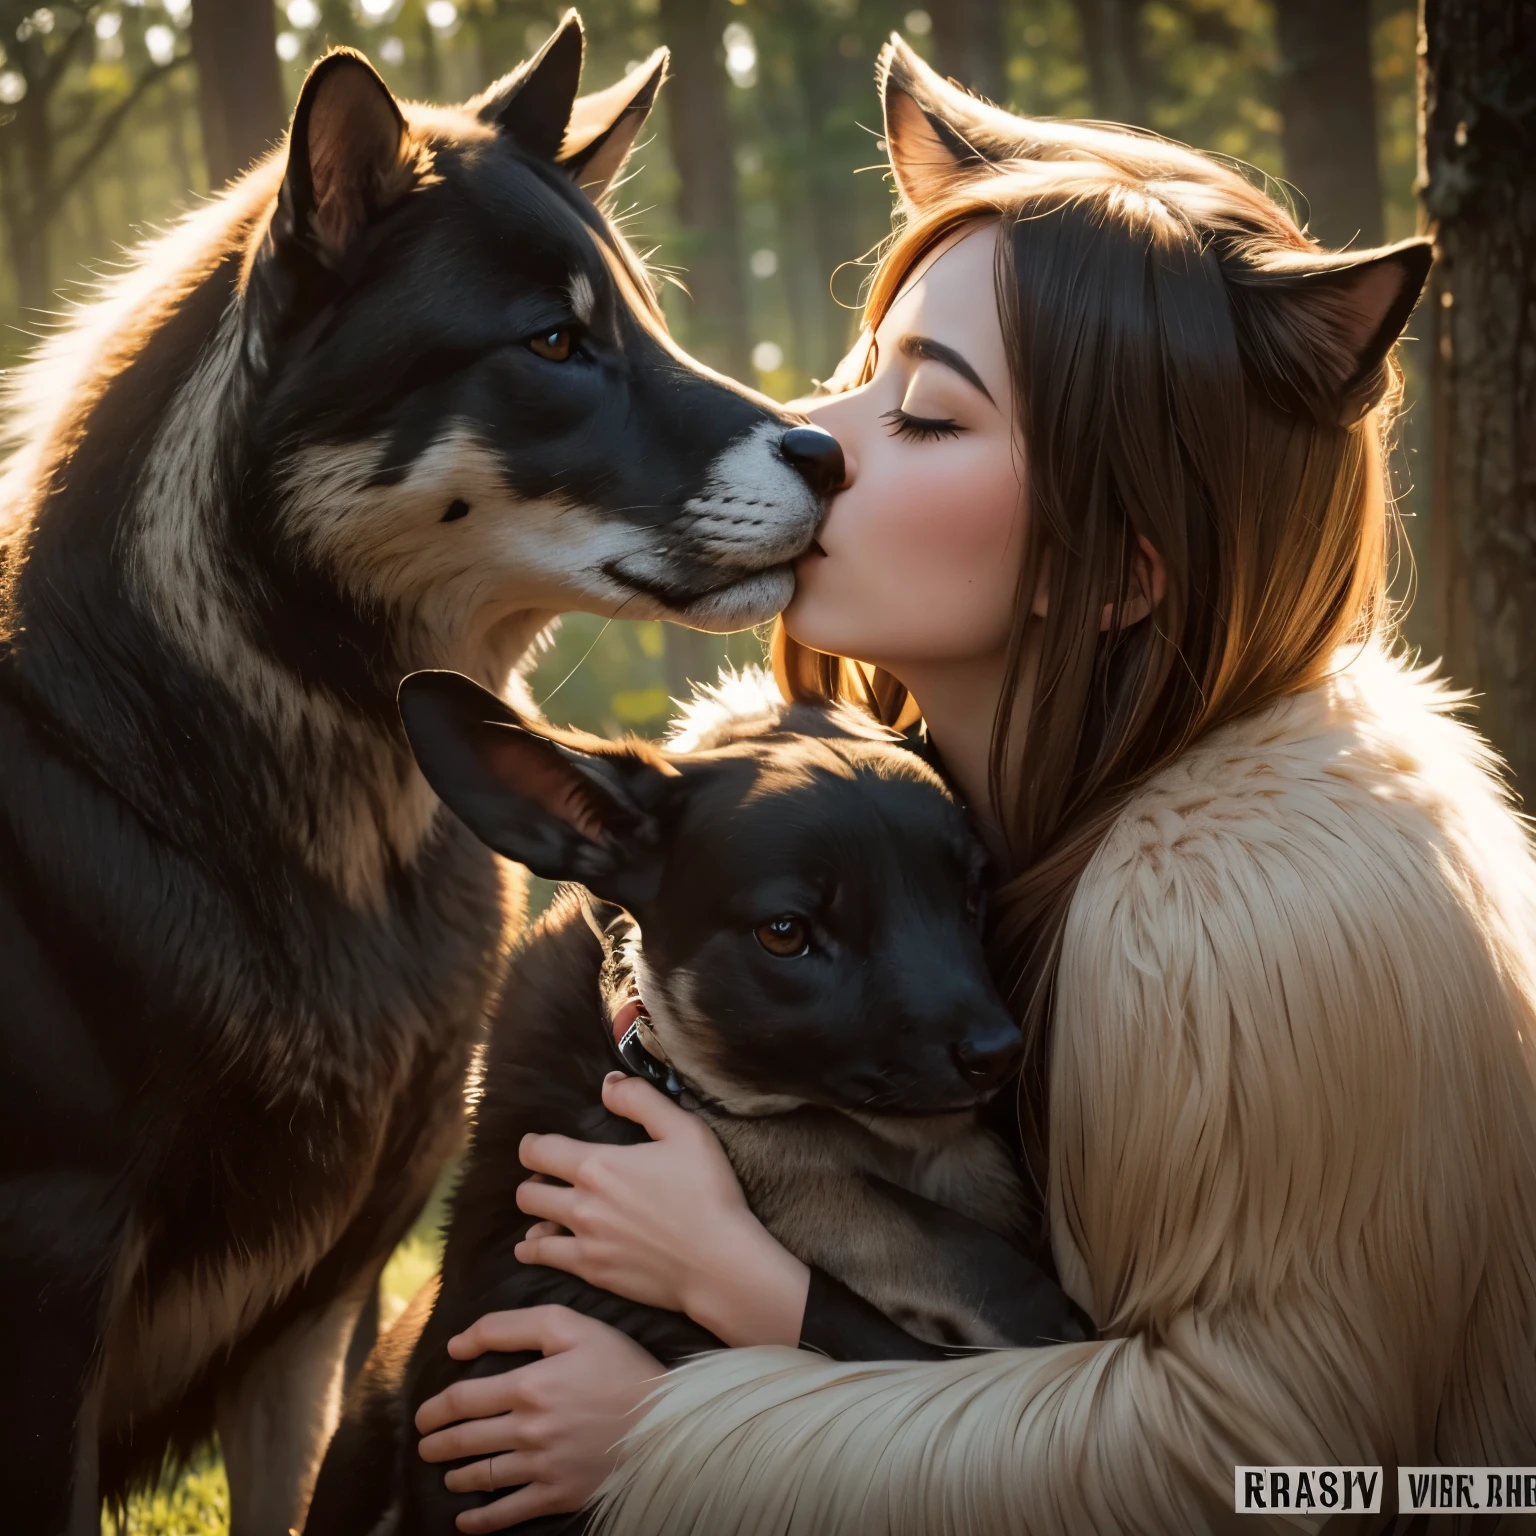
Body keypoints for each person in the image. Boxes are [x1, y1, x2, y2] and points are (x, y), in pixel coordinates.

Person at [410, 38, 1536, 1536]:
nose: (815, 437)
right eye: (859, 375)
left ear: (1117, 566)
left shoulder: (1284, 926)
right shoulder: (889, 803)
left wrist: (692, 1404)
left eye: (924, 413)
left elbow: (1274, 1469)